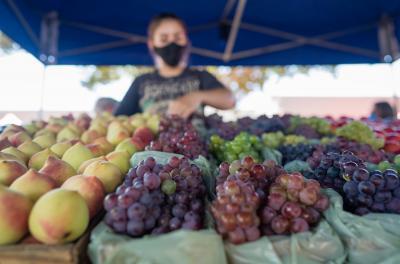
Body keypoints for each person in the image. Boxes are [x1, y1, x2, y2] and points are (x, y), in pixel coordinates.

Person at [114, 13, 235, 118]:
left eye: (178, 37)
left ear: (186, 40)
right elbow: (120, 119)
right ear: (152, 44)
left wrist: (197, 96)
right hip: (154, 144)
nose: (172, 43)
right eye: (164, 38)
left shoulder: (200, 76)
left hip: (194, 143)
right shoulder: (141, 82)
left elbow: (229, 100)